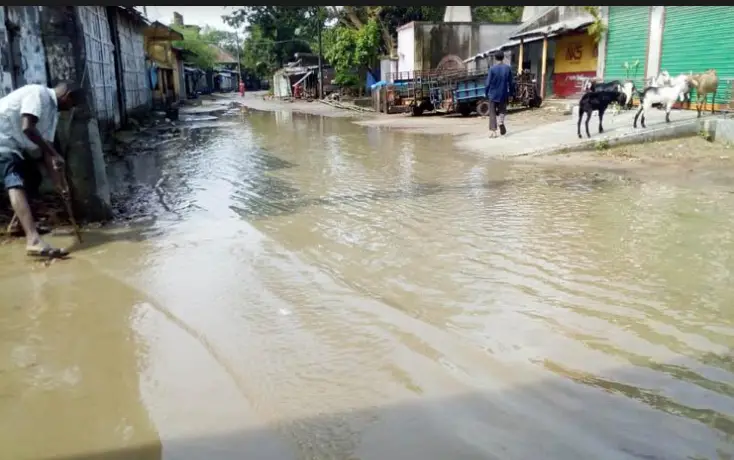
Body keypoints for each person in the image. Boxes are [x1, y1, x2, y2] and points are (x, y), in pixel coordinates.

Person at [0, 81, 83, 257]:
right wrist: (54, 153)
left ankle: (18, 225)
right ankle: (33, 240)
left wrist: (59, 185)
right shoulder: (38, 94)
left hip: (12, 143)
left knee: (33, 178)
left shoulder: (52, 113)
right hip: (3, 140)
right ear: (66, 97)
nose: (70, 109)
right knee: (15, 180)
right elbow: (27, 127)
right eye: (72, 105)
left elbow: (48, 153)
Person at [484, 51, 515, 139]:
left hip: (493, 94)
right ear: (503, 58)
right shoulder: (507, 68)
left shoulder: (492, 69)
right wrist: (511, 93)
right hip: (503, 93)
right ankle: (501, 122)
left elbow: (488, 83)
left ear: (495, 58)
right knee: (502, 110)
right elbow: (511, 83)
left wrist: (486, 93)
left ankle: (494, 132)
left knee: (492, 113)